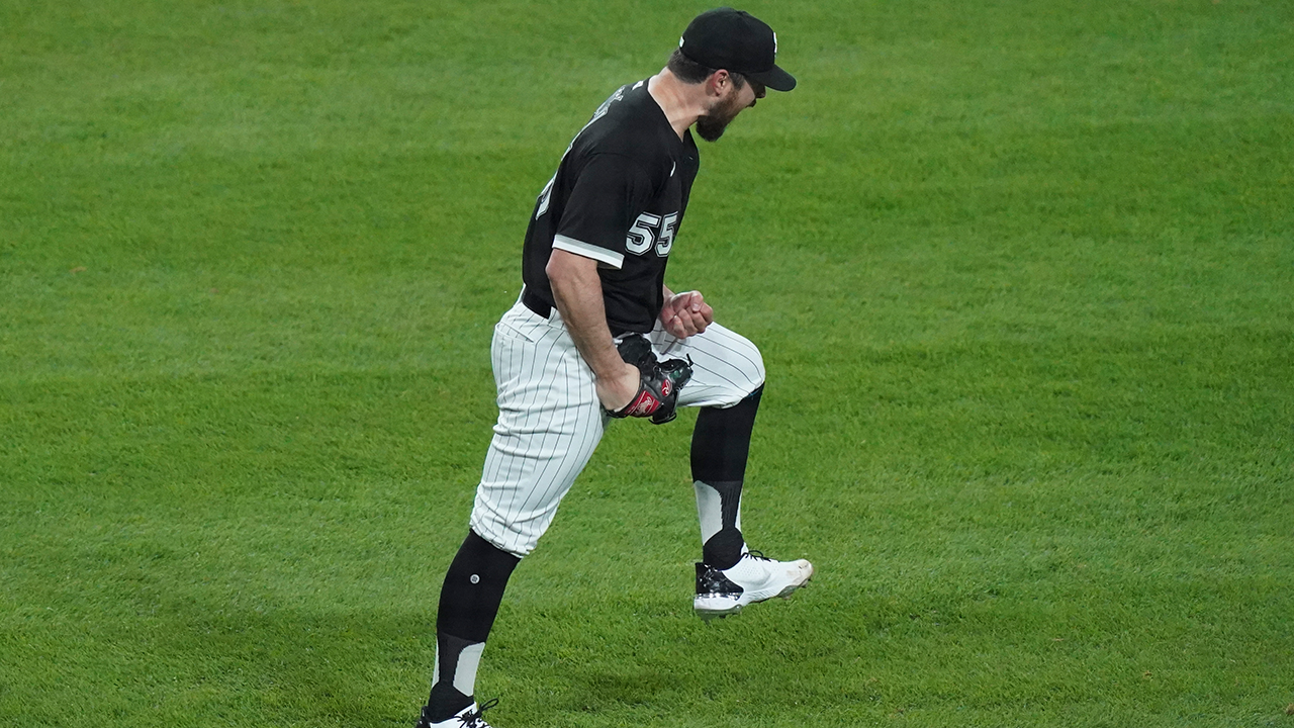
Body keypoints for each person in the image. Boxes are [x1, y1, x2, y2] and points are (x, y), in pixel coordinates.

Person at [415, 9, 813, 728]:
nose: (759, 101)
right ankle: (448, 711)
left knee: (738, 369)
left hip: (616, 324)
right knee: (502, 534)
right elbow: (568, 270)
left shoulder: (668, 131)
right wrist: (615, 376)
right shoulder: (631, 143)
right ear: (720, 81)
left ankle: (723, 564)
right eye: (755, 87)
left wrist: (663, 303)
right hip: (559, 349)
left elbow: (607, 248)